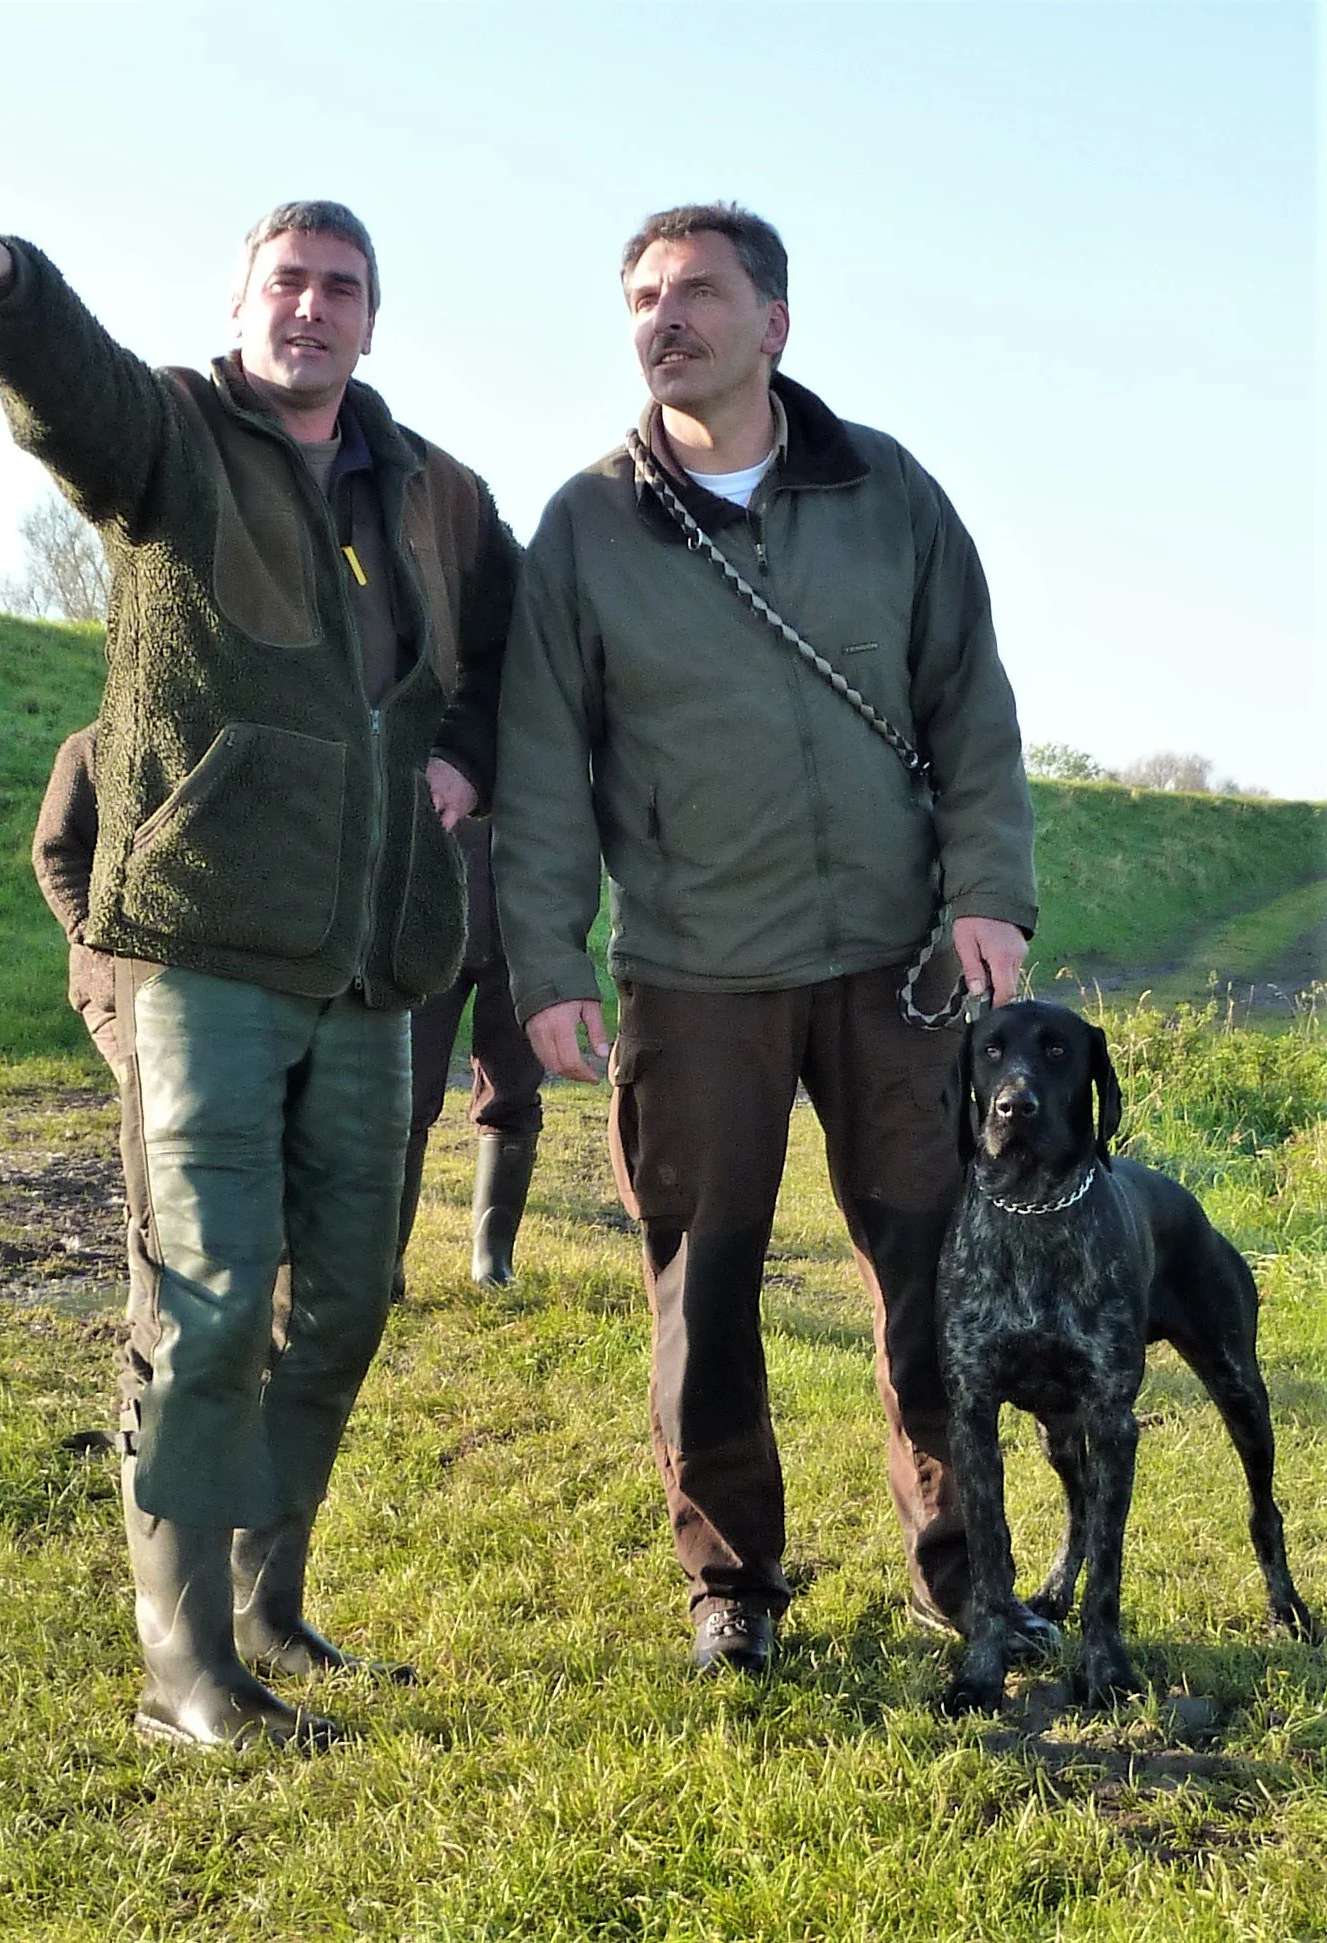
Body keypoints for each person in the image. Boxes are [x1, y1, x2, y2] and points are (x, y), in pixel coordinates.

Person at [0, 178, 516, 1748]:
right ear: (242, 306)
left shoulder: (437, 493)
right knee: (211, 1292)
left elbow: (512, 656)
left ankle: (265, 1596)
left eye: (340, 286)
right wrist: (2, 286)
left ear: (371, 320)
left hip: (373, 963)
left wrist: (466, 753)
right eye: (286, 280)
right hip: (201, 950)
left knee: (349, 1297)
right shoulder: (172, 436)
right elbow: (74, 395)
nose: (311, 305)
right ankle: (186, 1671)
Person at [494, 204, 1036, 1675]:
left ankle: (963, 1567)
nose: (664, 318)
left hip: (894, 967)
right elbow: (539, 767)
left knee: (935, 1277)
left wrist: (988, 890)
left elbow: (969, 706)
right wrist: (547, 964)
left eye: (697, 291)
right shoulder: (586, 524)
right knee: (707, 1287)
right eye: (642, 297)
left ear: (774, 324)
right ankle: (731, 1580)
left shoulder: (885, 488)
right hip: (695, 971)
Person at [392, 817, 544, 1298]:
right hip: (428, 902)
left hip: (526, 906)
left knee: (513, 1084)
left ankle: (493, 1255)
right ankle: (385, 1254)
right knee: (405, 1089)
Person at [31, 724, 118, 1072]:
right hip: (110, 984)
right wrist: (91, 931)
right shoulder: (89, 747)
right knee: (145, 1094)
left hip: (223, 984)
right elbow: (55, 850)